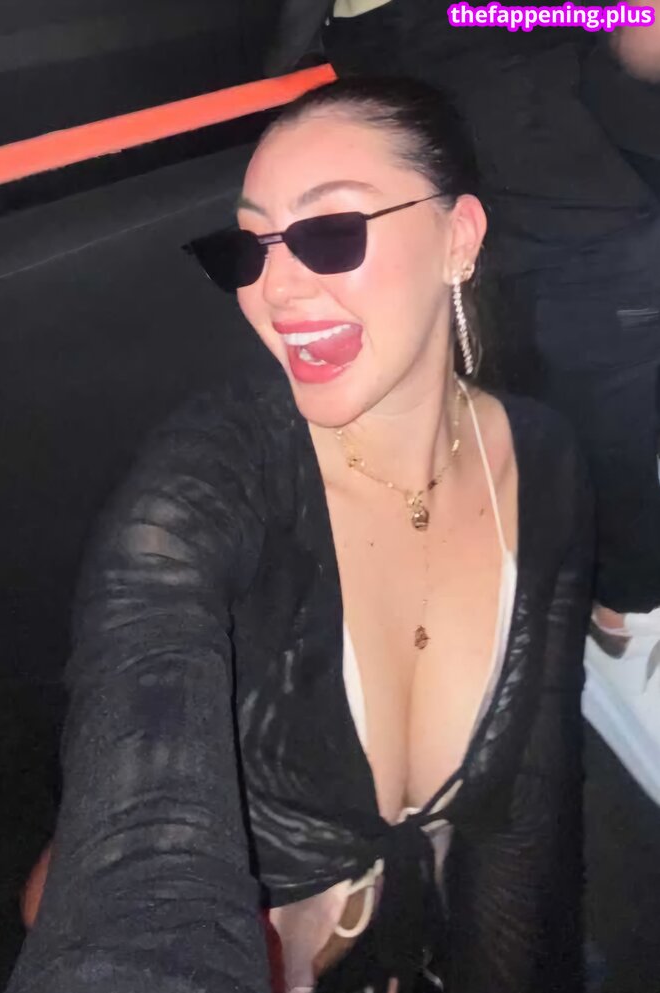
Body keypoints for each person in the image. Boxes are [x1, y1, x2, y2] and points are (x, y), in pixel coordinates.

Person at [0, 78, 593, 993]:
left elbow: (528, 819)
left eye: (329, 233)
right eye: (247, 249)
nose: (275, 288)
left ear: (458, 239)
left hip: (394, 972)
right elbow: (139, 854)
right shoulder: (203, 485)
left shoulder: (544, 462)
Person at [267, 0, 660, 800]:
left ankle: (577, 587)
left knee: (543, 330)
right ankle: (618, 611)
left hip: (476, 60)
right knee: (603, 305)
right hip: (468, 55)